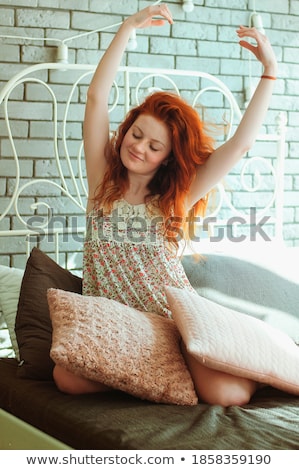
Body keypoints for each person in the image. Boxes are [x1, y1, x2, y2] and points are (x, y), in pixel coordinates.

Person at [53, 4, 277, 406]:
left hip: (176, 323)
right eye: (136, 134)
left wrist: (269, 72)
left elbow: (241, 144)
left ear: (168, 158)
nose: (138, 147)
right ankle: (162, 376)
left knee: (227, 395)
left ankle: (249, 359)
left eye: (154, 146)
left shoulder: (177, 198)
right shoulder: (101, 181)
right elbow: (95, 98)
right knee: (67, 377)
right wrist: (128, 27)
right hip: (121, 327)